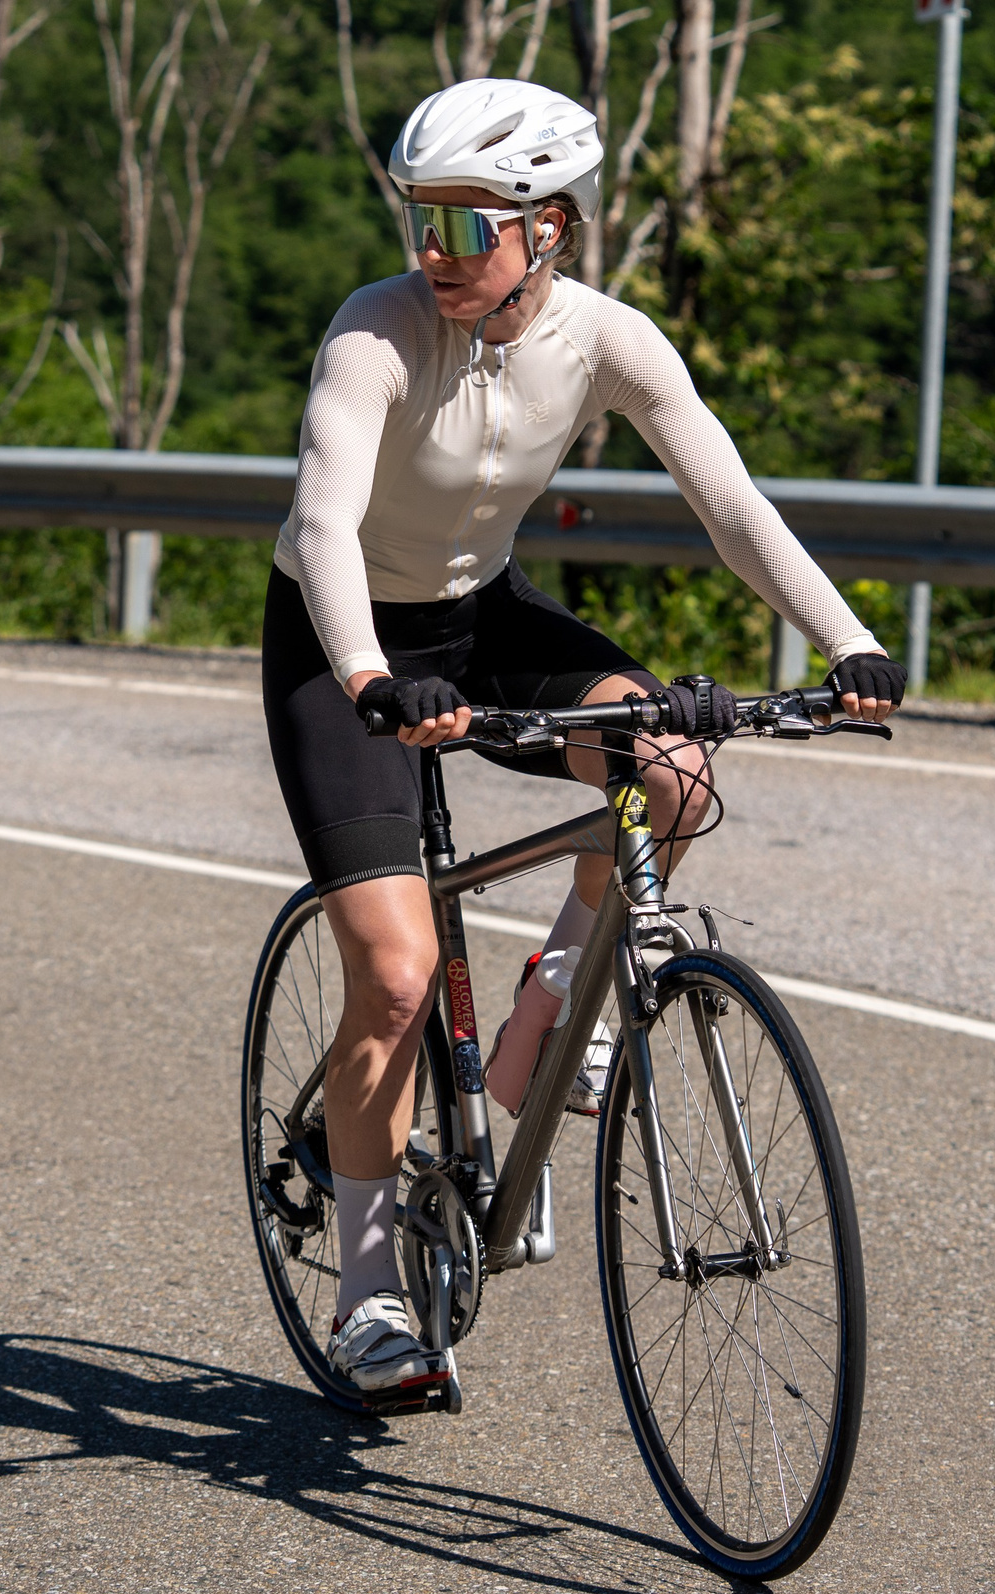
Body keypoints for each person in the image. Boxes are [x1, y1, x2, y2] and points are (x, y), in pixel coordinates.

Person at [265, 77, 906, 1396]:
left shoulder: (609, 339)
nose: (431, 255)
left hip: (482, 619)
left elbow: (729, 502)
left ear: (548, 227)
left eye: (464, 227)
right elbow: (326, 522)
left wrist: (847, 643)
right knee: (392, 975)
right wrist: (373, 677)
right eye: (418, 223)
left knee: (671, 770)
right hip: (344, 652)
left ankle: (559, 1002)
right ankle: (373, 1295)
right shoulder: (371, 337)